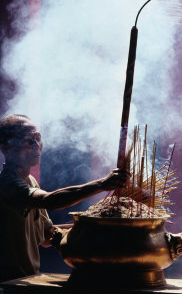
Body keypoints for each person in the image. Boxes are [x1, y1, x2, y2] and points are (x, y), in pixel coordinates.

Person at [0, 114, 131, 282]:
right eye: (27, 140)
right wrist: (102, 184)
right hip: (7, 284)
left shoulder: (30, 181)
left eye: (38, 138)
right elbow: (49, 201)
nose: (36, 146)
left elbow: (47, 236)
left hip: (27, 279)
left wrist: (93, 225)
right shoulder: (6, 184)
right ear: (6, 148)